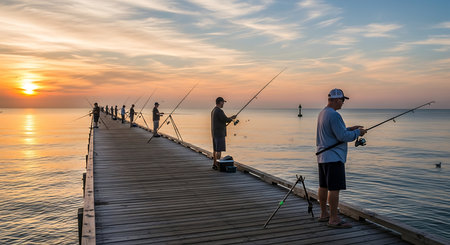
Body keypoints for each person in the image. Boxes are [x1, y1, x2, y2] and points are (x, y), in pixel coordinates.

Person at [316, 88, 367, 228]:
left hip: (322, 157)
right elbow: (342, 137)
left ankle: (323, 214)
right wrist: (358, 132)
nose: (343, 103)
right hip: (334, 157)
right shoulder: (334, 115)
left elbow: (337, 131)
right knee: (334, 189)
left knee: (323, 186)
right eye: (342, 100)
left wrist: (350, 128)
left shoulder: (323, 113)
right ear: (337, 100)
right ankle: (333, 219)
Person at [211, 97, 236, 170]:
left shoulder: (213, 110)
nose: (223, 104)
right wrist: (232, 118)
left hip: (214, 133)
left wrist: (230, 118)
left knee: (215, 150)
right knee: (219, 150)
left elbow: (223, 120)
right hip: (219, 133)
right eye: (223, 102)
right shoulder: (219, 111)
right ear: (220, 102)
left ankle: (214, 164)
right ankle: (218, 166)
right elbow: (225, 119)